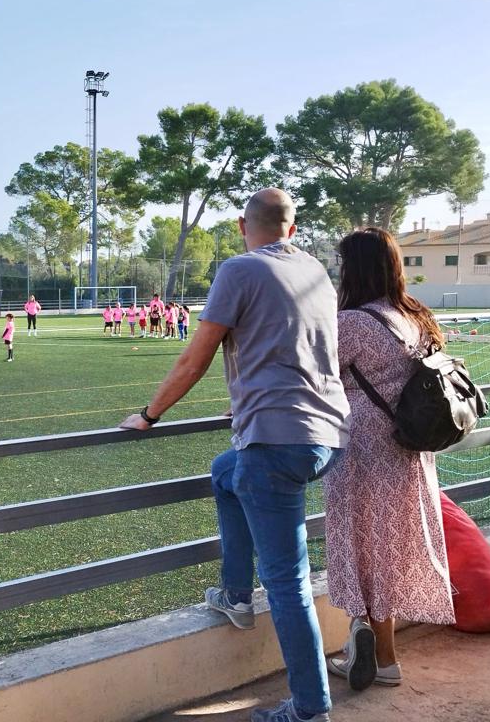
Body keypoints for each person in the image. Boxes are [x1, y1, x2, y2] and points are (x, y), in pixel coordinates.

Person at [119, 188, 349, 722]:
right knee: (226, 473)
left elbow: (195, 359)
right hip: (329, 436)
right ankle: (235, 594)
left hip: (276, 440)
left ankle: (311, 708)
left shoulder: (239, 269)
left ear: (244, 226)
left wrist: (149, 414)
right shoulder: (316, 271)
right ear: (291, 230)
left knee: (289, 580)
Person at [324, 228, 454, 692]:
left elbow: (313, 377)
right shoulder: (414, 316)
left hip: (363, 447)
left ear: (352, 268)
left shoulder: (351, 323)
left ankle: (364, 641)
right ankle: (385, 657)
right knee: (387, 548)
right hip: (408, 448)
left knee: (359, 542)